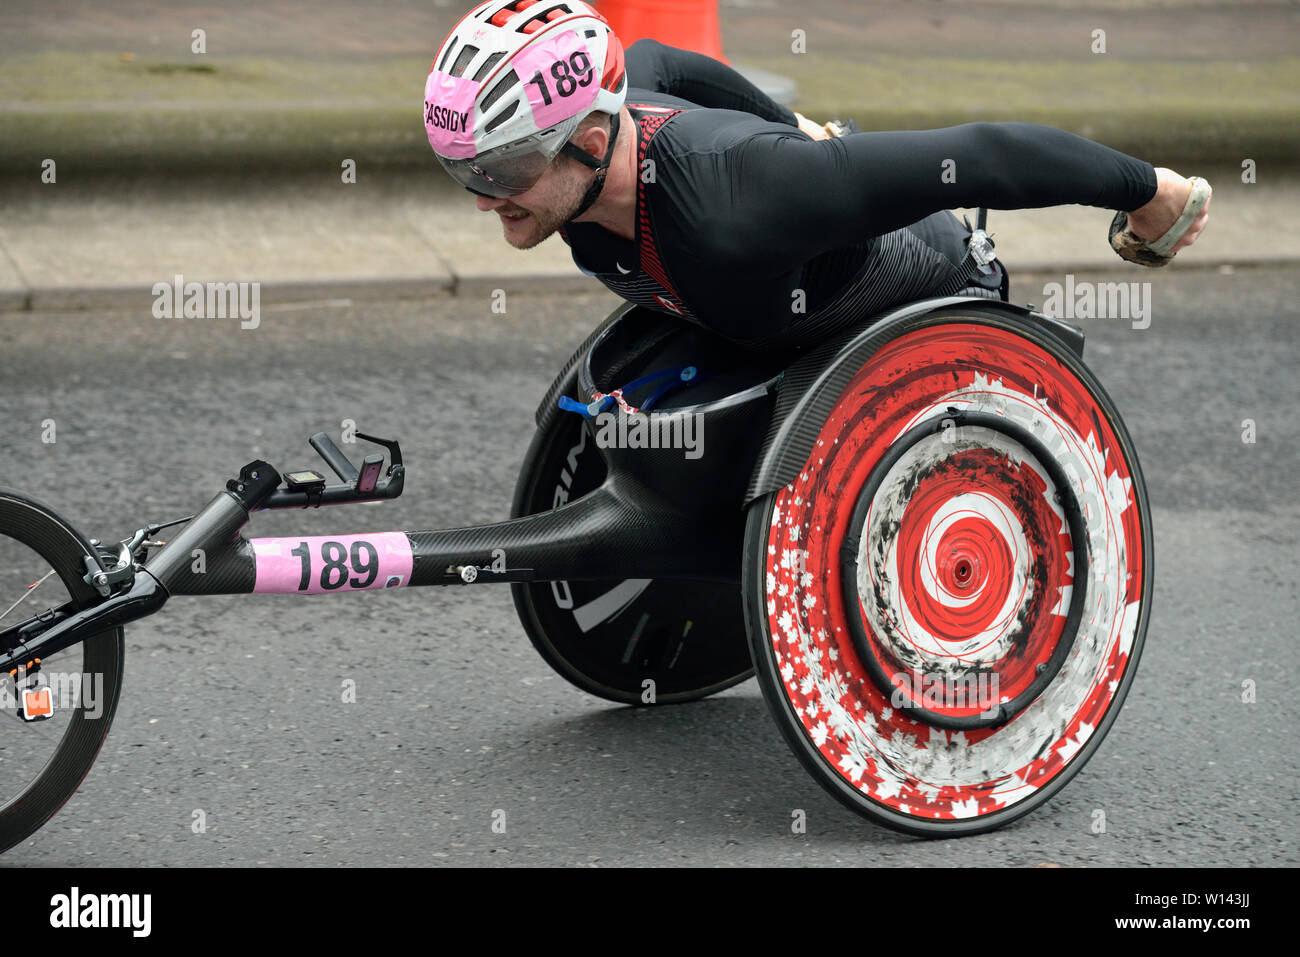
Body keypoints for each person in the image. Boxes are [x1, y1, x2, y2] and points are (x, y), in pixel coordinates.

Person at [425, 0, 1210, 348]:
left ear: (593, 144)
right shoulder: (590, 158)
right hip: (757, 289)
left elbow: (980, 157)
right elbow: (663, 62)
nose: (487, 197)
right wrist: (788, 120)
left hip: (935, 278)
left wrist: (1152, 193)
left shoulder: (746, 198)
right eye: (465, 169)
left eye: (506, 167)